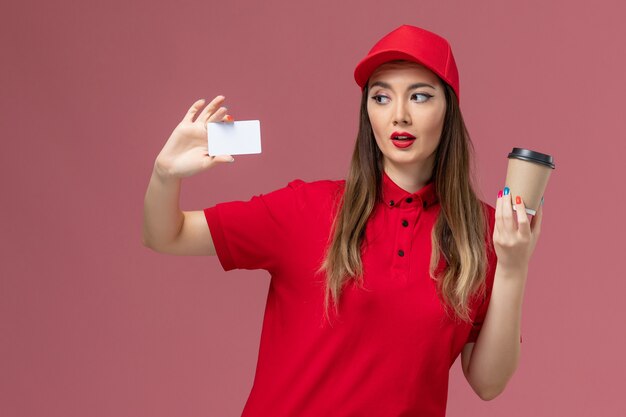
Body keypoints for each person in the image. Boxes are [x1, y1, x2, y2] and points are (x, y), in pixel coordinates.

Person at [143, 24, 543, 417]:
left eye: (420, 96)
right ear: (367, 110)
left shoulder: (482, 232)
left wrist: (512, 265)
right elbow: (167, 234)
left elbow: (488, 383)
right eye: (381, 97)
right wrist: (165, 175)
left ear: (449, 109)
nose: (399, 115)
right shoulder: (307, 208)